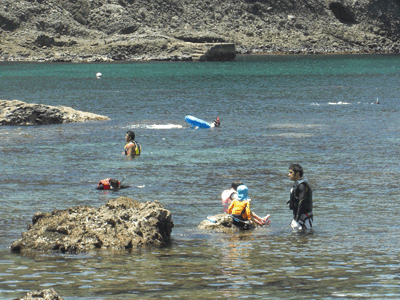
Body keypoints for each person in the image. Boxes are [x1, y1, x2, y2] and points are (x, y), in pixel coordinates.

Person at [287, 163, 313, 230]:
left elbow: (301, 202)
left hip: (304, 218)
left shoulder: (302, 186)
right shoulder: (296, 185)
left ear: (297, 173)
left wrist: (297, 219)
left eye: (291, 173)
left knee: (304, 236)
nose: (289, 174)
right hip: (298, 218)